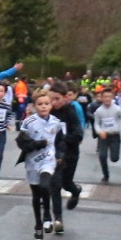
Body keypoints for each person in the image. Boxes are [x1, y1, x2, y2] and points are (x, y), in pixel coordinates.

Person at [17, 88, 66, 240]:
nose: (43, 107)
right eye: (40, 104)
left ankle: (47, 216)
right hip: (32, 161)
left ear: (51, 105)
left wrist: (60, 155)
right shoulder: (29, 122)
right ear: (34, 106)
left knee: (45, 186)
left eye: (46, 104)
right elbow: (21, 143)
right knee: (36, 194)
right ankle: (38, 224)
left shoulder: (56, 122)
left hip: (48, 160)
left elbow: (60, 141)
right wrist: (37, 144)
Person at [48, 80, 83, 223]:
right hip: (53, 155)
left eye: (57, 99)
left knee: (66, 184)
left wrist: (61, 138)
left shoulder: (70, 112)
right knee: (55, 185)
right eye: (51, 99)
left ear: (65, 97)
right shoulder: (48, 111)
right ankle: (58, 219)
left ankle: (76, 191)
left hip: (70, 153)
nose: (54, 102)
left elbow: (78, 135)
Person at [92, 87, 121, 184]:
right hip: (104, 136)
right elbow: (96, 124)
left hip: (115, 135)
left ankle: (114, 154)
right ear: (101, 98)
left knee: (114, 158)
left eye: (109, 96)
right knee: (102, 156)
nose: (107, 99)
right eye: (105, 97)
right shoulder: (99, 111)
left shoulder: (117, 109)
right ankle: (106, 175)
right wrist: (100, 131)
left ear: (112, 97)